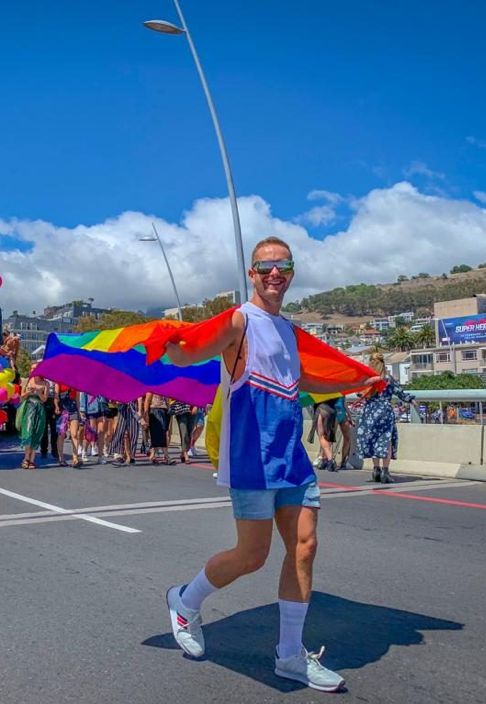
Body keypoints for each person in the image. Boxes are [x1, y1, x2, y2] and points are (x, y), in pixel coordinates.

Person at [162, 236, 379, 692]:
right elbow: (190, 352)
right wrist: (169, 342)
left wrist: (359, 381)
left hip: (292, 458)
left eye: (282, 266)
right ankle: (185, 600)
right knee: (251, 556)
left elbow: (303, 378)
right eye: (265, 267)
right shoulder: (240, 321)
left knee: (305, 546)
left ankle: (290, 655)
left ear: (292, 272)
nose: (274, 274)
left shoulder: (289, 330)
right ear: (252, 273)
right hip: (251, 460)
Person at [355, 353, 416, 484]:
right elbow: (400, 393)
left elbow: (358, 392)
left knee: (373, 440)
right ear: (383, 364)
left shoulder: (368, 379)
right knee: (386, 441)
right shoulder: (387, 379)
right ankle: (385, 471)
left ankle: (376, 469)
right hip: (384, 412)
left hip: (370, 411)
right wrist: (411, 399)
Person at [17, 364, 48, 469]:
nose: (32, 370)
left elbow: (44, 399)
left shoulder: (45, 383)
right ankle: (26, 458)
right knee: (28, 432)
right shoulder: (27, 381)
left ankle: (32, 459)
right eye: (31, 368)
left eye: (35, 368)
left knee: (37, 432)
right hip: (29, 408)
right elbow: (21, 396)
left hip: (39, 410)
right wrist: (28, 393)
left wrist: (39, 393)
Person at [55, 384, 83, 468]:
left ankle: (75, 458)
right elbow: (56, 396)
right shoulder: (59, 382)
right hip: (62, 408)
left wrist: (79, 413)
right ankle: (61, 458)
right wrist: (56, 406)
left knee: (74, 434)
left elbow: (77, 399)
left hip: (73, 408)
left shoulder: (76, 383)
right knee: (61, 434)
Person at [143, 392, 174, 465]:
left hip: (165, 411)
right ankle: (166, 457)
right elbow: (147, 400)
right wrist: (146, 414)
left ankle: (152, 455)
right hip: (155, 410)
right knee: (161, 433)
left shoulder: (165, 387)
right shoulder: (152, 387)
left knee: (160, 433)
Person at [109, 397, 141, 466]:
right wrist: (117, 401)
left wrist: (140, 410)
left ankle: (131, 456)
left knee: (133, 433)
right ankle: (119, 455)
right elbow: (113, 399)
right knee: (121, 432)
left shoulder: (137, 386)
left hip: (133, 408)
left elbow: (140, 396)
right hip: (122, 408)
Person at [82, 393, 109, 463]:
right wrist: (82, 410)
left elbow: (106, 398)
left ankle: (100, 456)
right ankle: (84, 451)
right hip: (91, 410)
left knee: (101, 432)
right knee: (91, 433)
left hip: (101, 410)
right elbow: (84, 397)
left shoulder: (102, 387)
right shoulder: (88, 386)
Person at [170, 399, 196, 464]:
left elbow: (198, 394)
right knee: (184, 433)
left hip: (191, 409)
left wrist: (196, 406)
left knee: (189, 434)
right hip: (180, 411)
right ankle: (186, 455)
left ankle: (182, 453)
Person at [40, 379, 60, 462]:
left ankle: (55, 451)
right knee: (43, 429)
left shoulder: (55, 380)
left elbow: (56, 394)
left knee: (54, 429)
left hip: (52, 402)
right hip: (43, 402)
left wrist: (56, 406)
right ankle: (43, 451)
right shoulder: (42, 379)